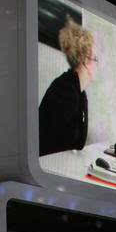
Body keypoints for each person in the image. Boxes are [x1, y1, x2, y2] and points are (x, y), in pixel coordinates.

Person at [38, 19, 97, 157]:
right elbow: (60, 145)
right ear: (85, 60)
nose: (97, 65)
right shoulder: (65, 90)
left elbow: (78, 143)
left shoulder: (79, 91)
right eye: (96, 59)